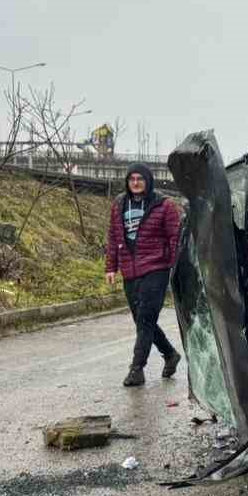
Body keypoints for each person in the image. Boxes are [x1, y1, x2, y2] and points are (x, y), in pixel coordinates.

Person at [105, 163, 182, 386]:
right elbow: (113, 238)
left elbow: (175, 237)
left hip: (156, 268)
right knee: (142, 320)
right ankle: (169, 354)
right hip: (130, 270)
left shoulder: (164, 205)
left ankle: (136, 369)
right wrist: (111, 267)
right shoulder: (119, 204)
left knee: (146, 319)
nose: (136, 183)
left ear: (148, 181)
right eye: (132, 179)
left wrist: (173, 265)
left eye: (140, 179)